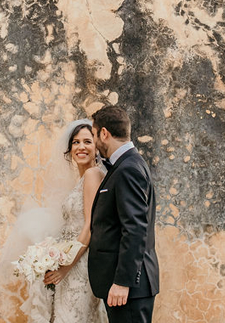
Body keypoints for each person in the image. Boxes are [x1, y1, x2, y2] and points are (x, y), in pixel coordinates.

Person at [88, 106, 159, 323]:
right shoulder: (127, 164)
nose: (94, 141)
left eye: (93, 134)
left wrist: (122, 282)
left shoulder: (128, 168)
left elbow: (136, 228)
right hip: (125, 288)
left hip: (128, 289)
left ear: (104, 133)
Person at [43, 119, 108, 323]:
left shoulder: (93, 175)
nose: (81, 147)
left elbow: (89, 226)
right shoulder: (81, 180)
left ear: (97, 147)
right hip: (71, 260)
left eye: (87, 142)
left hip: (80, 265)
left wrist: (66, 267)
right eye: (75, 142)